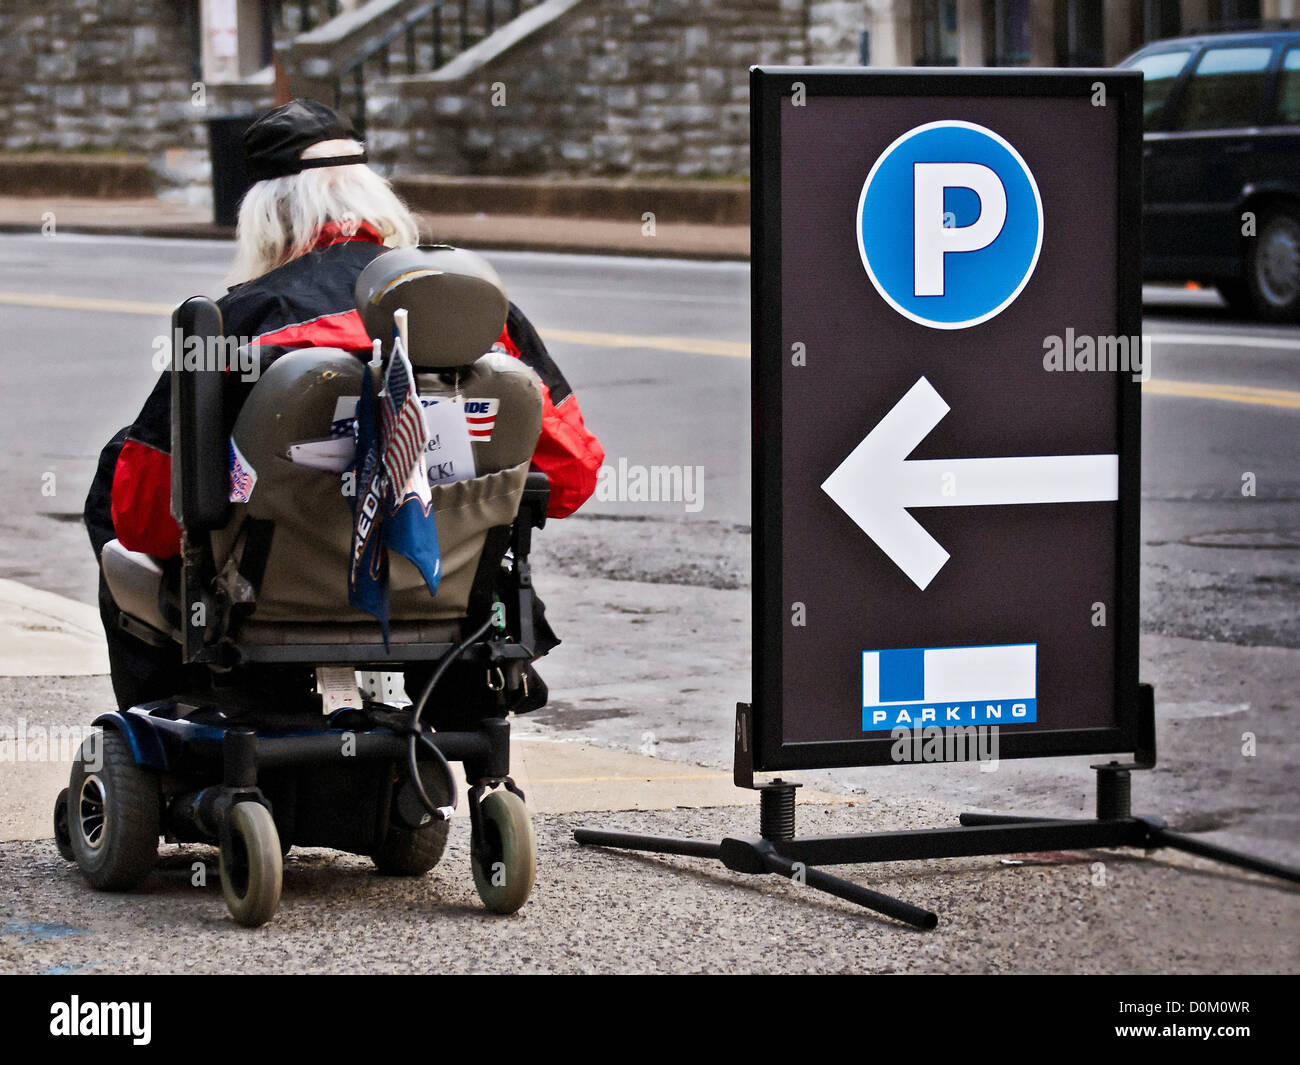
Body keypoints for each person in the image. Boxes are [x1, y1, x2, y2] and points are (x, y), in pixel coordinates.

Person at [83, 98, 603, 714]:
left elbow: (146, 522)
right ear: (375, 198)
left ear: (264, 217)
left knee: (119, 477)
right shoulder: (479, 319)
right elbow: (570, 480)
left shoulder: (240, 322)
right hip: (453, 599)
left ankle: (181, 716)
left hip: (269, 600)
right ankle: (467, 706)